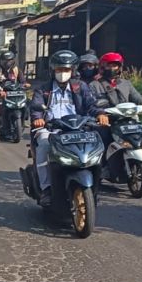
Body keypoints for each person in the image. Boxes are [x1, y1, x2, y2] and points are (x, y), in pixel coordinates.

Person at [29, 50, 106, 206]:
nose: (62, 73)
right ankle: (47, 189)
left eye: (66, 70)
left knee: (98, 144)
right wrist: (38, 119)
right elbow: (36, 108)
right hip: (51, 129)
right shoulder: (43, 89)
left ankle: (95, 187)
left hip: (78, 129)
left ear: (73, 70)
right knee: (43, 145)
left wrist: (100, 114)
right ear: (53, 70)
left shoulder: (81, 87)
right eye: (59, 70)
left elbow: (91, 105)